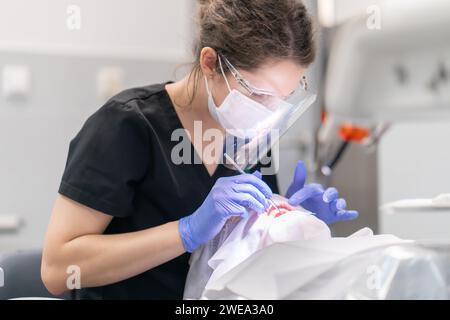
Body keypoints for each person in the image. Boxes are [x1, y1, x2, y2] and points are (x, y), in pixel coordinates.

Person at [41, 0, 358, 300]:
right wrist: (186, 232)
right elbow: (57, 269)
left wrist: (291, 223)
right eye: (259, 95)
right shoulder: (127, 126)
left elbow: (246, 255)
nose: (270, 112)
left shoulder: (250, 136)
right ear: (209, 63)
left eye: (284, 97)